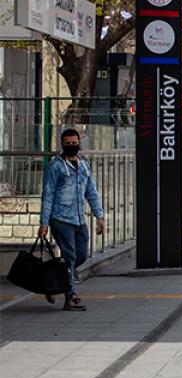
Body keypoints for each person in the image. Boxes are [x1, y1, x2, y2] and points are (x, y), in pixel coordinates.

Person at [37, 129, 104, 311]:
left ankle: (55, 281)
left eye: (74, 143)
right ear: (62, 144)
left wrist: (100, 216)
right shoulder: (55, 167)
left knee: (81, 255)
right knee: (70, 256)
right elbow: (48, 195)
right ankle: (70, 296)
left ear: (79, 142)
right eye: (68, 143)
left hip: (79, 218)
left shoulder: (83, 165)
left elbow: (91, 192)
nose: (72, 146)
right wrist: (44, 222)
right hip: (60, 218)